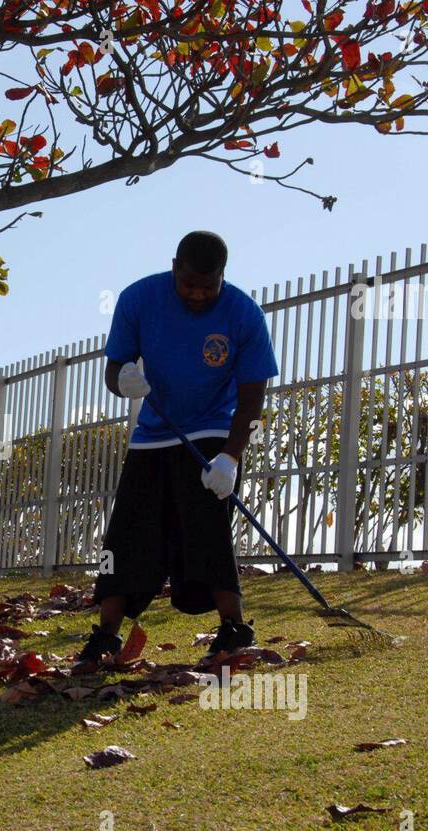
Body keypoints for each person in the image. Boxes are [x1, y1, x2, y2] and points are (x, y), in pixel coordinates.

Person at [76, 231, 279, 673]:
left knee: (207, 529)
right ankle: (106, 635)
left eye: (210, 286)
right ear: (175, 268)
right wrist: (123, 381)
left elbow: (252, 396)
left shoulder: (243, 314)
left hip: (211, 430)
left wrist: (230, 457)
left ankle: (234, 629)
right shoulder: (137, 300)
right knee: (127, 535)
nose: (199, 294)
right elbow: (115, 367)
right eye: (190, 284)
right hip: (153, 434)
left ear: (223, 276)